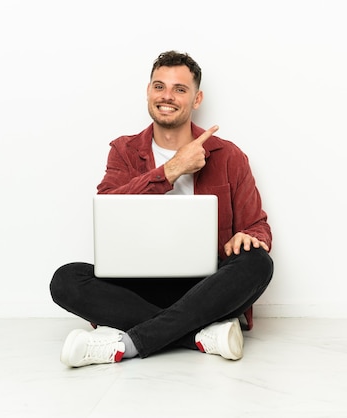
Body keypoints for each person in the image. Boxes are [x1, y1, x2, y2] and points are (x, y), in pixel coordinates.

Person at [50, 50, 273, 367]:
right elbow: (108, 203)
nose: (167, 96)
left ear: (196, 100)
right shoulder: (124, 151)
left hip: (205, 287)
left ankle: (127, 344)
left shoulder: (228, 155)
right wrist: (171, 171)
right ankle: (200, 336)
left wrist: (248, 237)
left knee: (258, 263)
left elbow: (258, 227)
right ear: (148, 92)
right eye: (159, 86)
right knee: (66, 279)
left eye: (180, 89)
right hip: (138, 287)